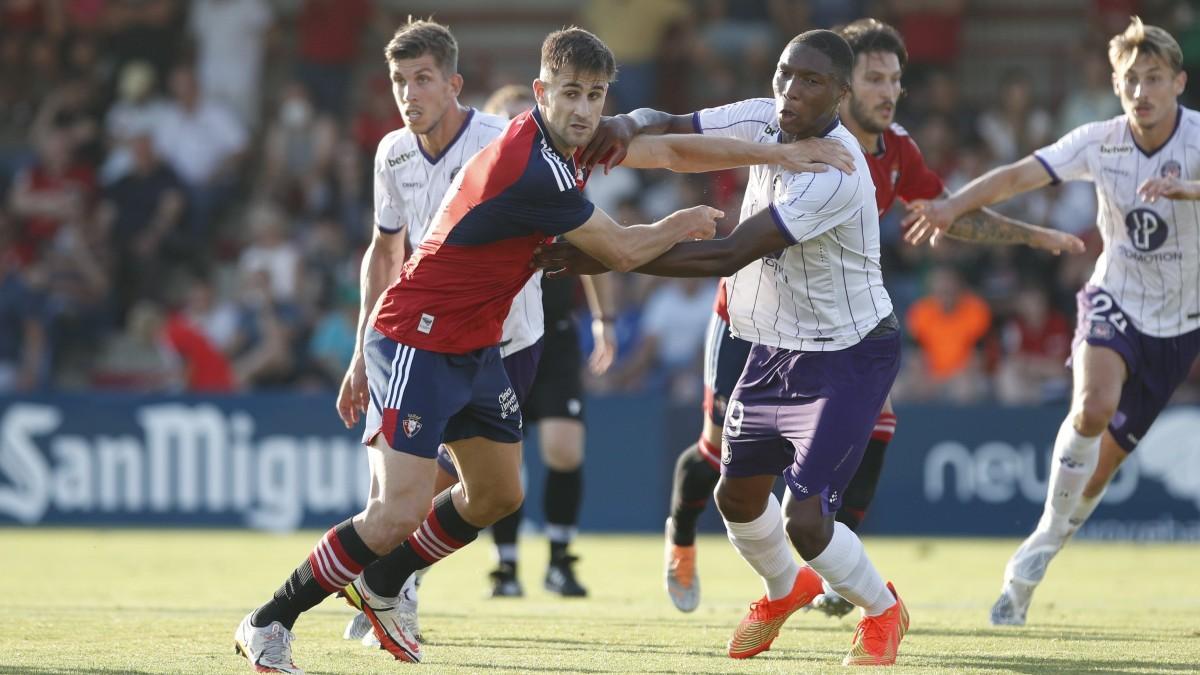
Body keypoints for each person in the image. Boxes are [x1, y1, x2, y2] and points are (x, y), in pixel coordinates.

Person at [234, 24, 849, 672]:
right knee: (395, 511)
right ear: (540, 93)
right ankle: (269, 620)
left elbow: (671, 152)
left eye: (595, 94)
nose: (584, 108)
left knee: (497, 495)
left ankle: (383, 584)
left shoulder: (574, 143)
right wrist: (677, 223)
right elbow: (617, 252)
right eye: (570, 94)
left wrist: (778, 156)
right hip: (417, 334)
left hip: (477, 344)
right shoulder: (532, 165)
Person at [580, 17, 1084, 618]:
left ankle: (837, 570)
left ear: (836, 91)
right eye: (876, 77)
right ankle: (684, 540)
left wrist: (1027, 236)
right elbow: (680, 145)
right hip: (748, 315)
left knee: (877, 429)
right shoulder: (778, 118)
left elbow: (945, 213)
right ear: (851, 86)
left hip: (839, 335)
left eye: (895, 79)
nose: (887, 91)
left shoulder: (888, 154)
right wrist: (620, 126)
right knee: (718, 459)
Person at [541, 28, 910, 667]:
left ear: (841, 95)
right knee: (734, 498)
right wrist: (625, 122)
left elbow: (729, 251)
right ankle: (781, 592)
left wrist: (610, 254)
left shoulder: (836, 171)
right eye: (786, 73)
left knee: (805, 519)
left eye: (811, 81)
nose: (791, 90)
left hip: (848, 353)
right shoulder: (763, 118)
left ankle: (883, 611)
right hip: (772, 343)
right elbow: (676, 131)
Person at [903, 17, 1200, 627]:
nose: (1141, 92)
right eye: (1128, 81)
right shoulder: (1100, 140)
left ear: (1179, 82)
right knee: (1091, 407)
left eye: (1153, 79)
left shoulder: (1198, 139)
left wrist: (1189, 192)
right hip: (1114, 297)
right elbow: (1018, 175)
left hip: (1179, 324)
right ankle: (1037, 552)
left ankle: (1034, 554)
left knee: (1103, 466)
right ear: (1116, 88)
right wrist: (952, 205)